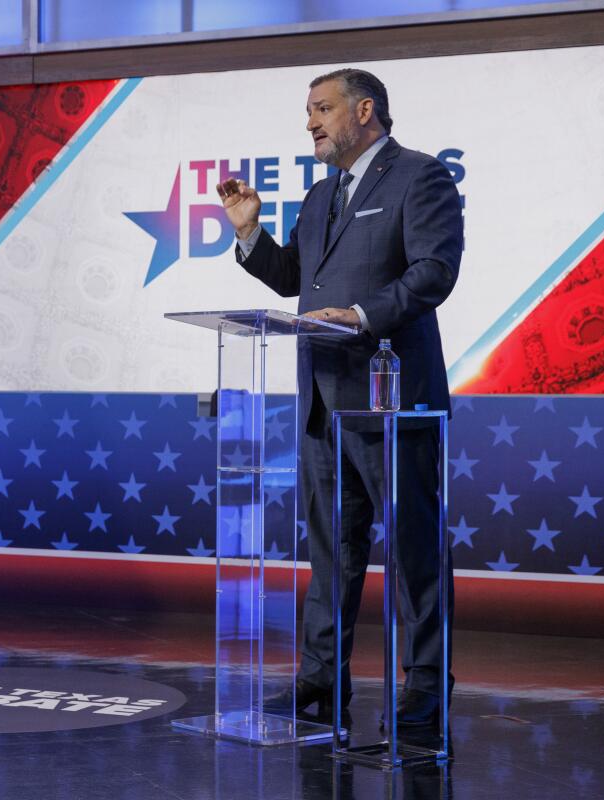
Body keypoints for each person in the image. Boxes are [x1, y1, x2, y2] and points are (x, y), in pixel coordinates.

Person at [217, 69, 462, 725]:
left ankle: (428, 685)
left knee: (412, 547)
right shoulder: (320, 196)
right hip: (323, 402)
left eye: (321, 109)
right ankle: (324, 680)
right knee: (330, 552)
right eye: (307, 111)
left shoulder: (421, 177)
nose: (310, 123)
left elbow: (434, 273)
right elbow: (296, 277)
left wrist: (360, 314)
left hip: (392, 398)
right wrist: (249, 235)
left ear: (365, 110)